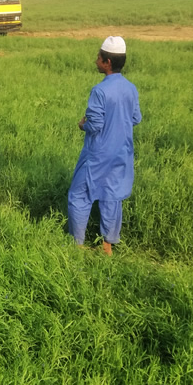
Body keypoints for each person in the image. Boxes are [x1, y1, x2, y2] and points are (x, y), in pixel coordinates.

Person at [67, 36, 142, 255]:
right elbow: (135, 118)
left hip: (98, 153)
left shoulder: (99, 91)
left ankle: (78, 245)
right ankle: (107, 245)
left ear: (107, 62)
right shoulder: (131, 88)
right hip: (121, 152)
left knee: (79, 195)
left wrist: (83, 125)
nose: (96, 60)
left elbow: (95, 125)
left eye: (99, 57)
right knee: (112, 195)